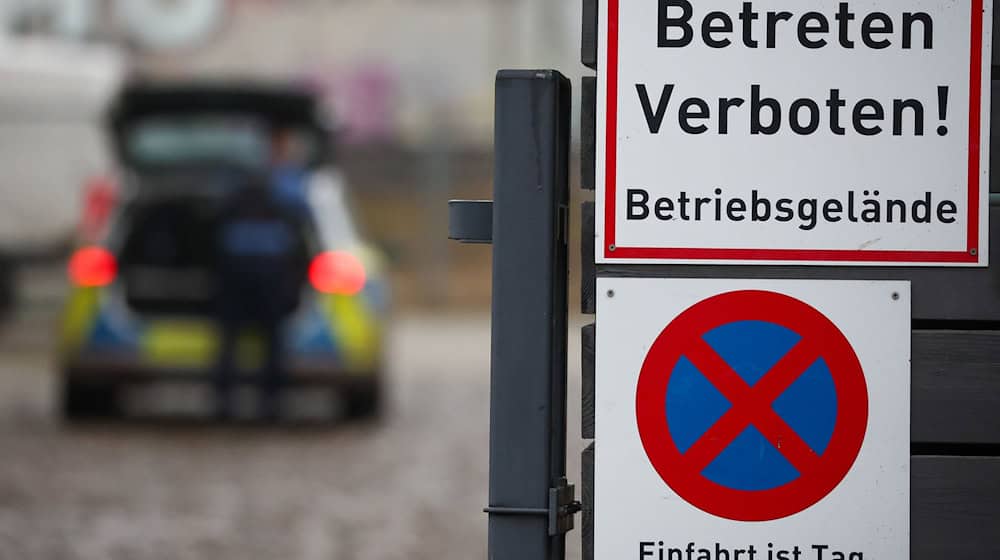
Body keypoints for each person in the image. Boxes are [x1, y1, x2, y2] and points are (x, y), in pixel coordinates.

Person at [212, 178, 306, 420]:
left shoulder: (231, 211)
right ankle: (271, 402)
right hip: (269, 290)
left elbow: (215, 253)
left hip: (238, 289)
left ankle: (225, 402)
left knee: (229, 345)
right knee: (272, 346)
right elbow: (295, 256)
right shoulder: (281, 211)